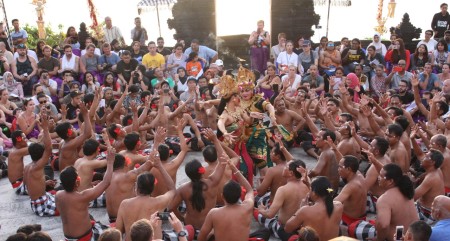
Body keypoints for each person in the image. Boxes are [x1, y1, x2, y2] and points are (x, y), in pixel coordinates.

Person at [56, 147, 115, 241]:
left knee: (90, 218)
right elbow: (106, 182)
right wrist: (110, 162)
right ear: (77, 182)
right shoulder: (82, 197)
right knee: (113, 233)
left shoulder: (58, 195)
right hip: (85, 238)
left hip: (67, 238)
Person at [115, 155, 176, 241]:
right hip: (154, 238)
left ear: (137, 187)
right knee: (188, 229)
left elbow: (118, 231)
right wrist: (160, 167)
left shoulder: (124, 204)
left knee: (162, 216)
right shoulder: (159, 202)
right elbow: (172, 189)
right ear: (152, 189)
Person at [197, 160, 254, 241]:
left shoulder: (214, 213)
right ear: (240, 195)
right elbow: (249, 190)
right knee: (263, 233)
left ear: (222, 196)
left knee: (211, 234)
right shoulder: (247, 207)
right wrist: (234, 169)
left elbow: (200, 238)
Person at [255, 160, 309, 241]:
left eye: (286, 167)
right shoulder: (307, 184)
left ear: (291, 173)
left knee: (256, 211)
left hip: (283, 228)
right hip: (301, 227)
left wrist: (261, 210)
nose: (283, 168)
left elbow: (270, 215)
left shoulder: (283, 190)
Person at [285, 176, 344, 241]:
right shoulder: (339, 206)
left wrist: (299, 209)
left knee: (288, 234)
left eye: (310, 189)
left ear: (314, 193)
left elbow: (287, 228)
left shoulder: (305, 210)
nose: (308, 192)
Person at [23, 111, 57, 216]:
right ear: (42, 155)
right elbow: (49, 148)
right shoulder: (37, 166)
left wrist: (44, 184)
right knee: (72, 204)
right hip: (42, 205)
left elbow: (28, 186)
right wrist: (46, 129)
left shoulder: (28, 166)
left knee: (62, 193)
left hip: (38, 201)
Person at [376, 163, 418, 241]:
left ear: (391, 181)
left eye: (381, 176)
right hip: (411, 236)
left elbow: (383, 225)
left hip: (398, 238)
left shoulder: (385, 199)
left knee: (354, 227)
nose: (378, 178)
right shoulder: (406, 190)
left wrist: (378, 239)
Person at [55, 101, 92, 171]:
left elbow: (63, 128)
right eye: (72, 128)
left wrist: (63, 116)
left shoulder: (63, 141)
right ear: (69, 134)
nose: (75, 129)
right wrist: (86, 115)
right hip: (69, 178)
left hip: (68, 173)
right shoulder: (69, 144)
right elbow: (88, 134)